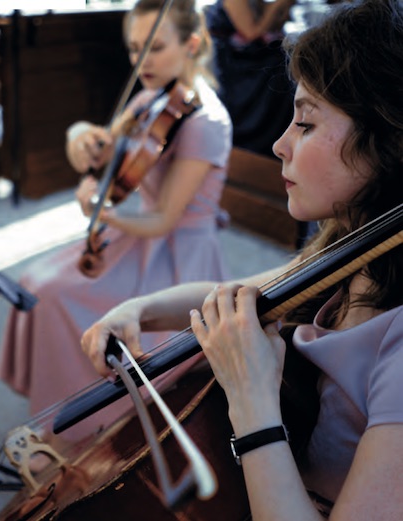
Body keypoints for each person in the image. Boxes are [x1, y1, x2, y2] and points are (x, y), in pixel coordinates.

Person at [81, 0, 403, 517]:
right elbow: (245, 296)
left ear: (387, 140)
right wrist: (140, 308)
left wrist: (251, 399)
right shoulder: (354, 253)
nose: (279, 144)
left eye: (305, 122)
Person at [0, 0, 232, 444]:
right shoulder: (150, 98)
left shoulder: (207, 122)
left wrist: (102, 211)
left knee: (52, 293)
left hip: (176, 253)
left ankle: (78, 423)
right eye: (134, 49)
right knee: (33, 281)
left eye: (155, 47)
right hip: (133, 234)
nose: (140, 61)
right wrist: (78, 136)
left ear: (192, 44)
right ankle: (60, 400)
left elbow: (165, 218)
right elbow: (104, 150)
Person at [205, 0, 296, 157]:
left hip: (249, 56)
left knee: (286, 61)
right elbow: (251, 32)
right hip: (231, 63)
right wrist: (278, 5)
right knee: (280, 69)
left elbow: (274, 25)